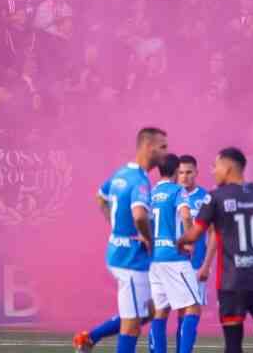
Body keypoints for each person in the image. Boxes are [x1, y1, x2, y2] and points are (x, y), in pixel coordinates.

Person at [178, 148, 253, 353]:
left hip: (232, 282)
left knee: (233, 343)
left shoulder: (216, 198)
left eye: (216, 166)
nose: (213, 171)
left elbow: (194, 234)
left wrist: (179, 242)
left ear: (228, 168)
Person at [74, 127, 168, 353]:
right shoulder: (140, 181)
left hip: (119, 252)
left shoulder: (122, 173)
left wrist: (115, 226)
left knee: (148, 312)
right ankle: (88, 340)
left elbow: (100, 195)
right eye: (162, 147)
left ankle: (89, 339)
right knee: (132, 324)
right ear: (148, 147)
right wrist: (148, 238)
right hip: (131, 260)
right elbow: (139, 215)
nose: (166, 152)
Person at [148, 153, 202, 353]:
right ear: (175, 171)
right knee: (193, 307)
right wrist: (189, 240)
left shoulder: (151, 193)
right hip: (174, 256)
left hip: (154, 259)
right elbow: (186, 214)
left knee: (160, 311)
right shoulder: (178, 191)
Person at [176, 154, 215, 353]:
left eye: (189, 172)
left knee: (190, 311)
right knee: (178, 312)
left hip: (195, 263)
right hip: (172, 263)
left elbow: (213, 233)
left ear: (196, 173)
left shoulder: (205, 198)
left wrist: (206, 264)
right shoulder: (172, 194)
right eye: (181, 172)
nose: (184, 176)